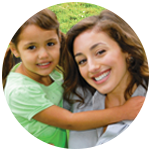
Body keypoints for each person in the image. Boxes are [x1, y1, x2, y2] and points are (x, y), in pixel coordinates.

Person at [2, 8, 146, 149]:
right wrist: (124, 111)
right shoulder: (21, 91)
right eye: (82, 61)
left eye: (100, 52)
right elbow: (70, 121)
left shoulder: (55, 76)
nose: (44, 55)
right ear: (15, 50)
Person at [63, 10, 150, 149]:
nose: (91, 67)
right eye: (82, 61)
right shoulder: (78, 97)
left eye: (100, 52)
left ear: (126, 50)